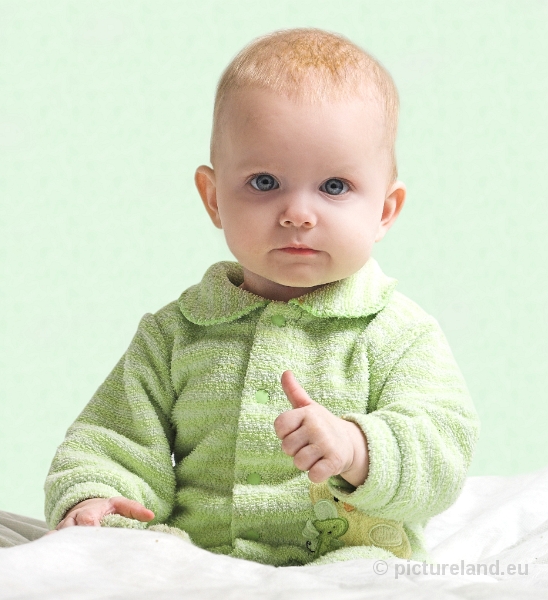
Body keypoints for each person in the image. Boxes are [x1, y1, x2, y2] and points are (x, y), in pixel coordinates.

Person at [43, 27, 480, 567]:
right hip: (206, 562)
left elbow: (442, 451)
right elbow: (114, 438)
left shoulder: (398, 333)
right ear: (213, 198)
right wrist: (98, 496)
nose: (298, 213)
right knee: (137, 563)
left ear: (385, 211)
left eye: (335, 186)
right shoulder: (176, 332)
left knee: (368, 577)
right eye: (265, 182)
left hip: (350, 559)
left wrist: (357, 448)